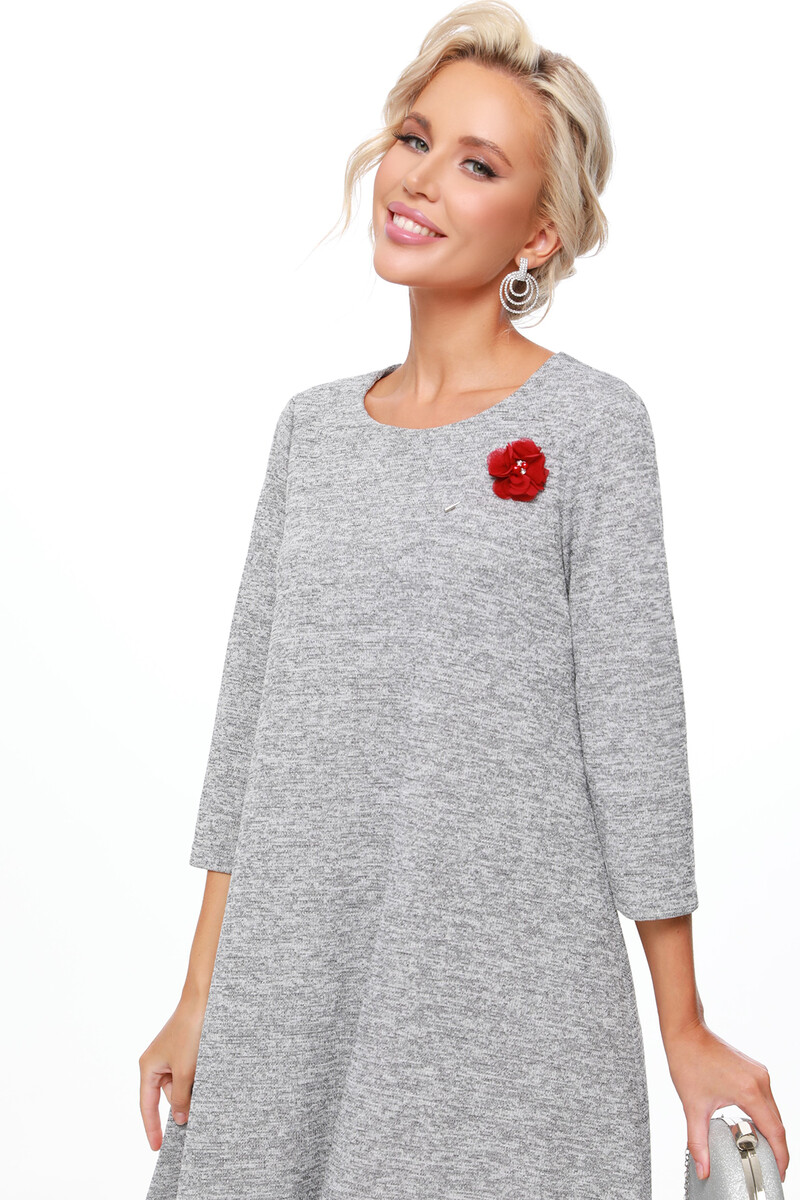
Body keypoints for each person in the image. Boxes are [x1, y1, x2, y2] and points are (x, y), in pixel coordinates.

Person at [139, 3, 789, 1197]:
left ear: (539, 231)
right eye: (414, 138)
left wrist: (683, 1025)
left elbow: (634, 738)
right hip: (291, 991)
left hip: (504, 1013)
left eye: (476, 165)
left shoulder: (590, 428)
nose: (420, 179)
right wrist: (197, 998)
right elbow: (251, 735)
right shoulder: (311, 434)